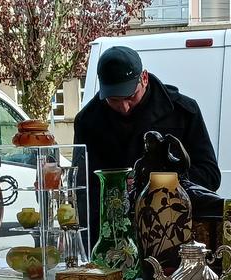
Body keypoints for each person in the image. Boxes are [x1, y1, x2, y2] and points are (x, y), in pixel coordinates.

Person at [74, 46, 221, 247]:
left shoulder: (183, 111)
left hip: (173, 233)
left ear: (144, 78)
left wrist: (157, 181)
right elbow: (82, 190)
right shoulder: (88, 121)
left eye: (130, 97)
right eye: (114, 100)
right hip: (114, 238)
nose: (124, 107)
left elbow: (210, 176)